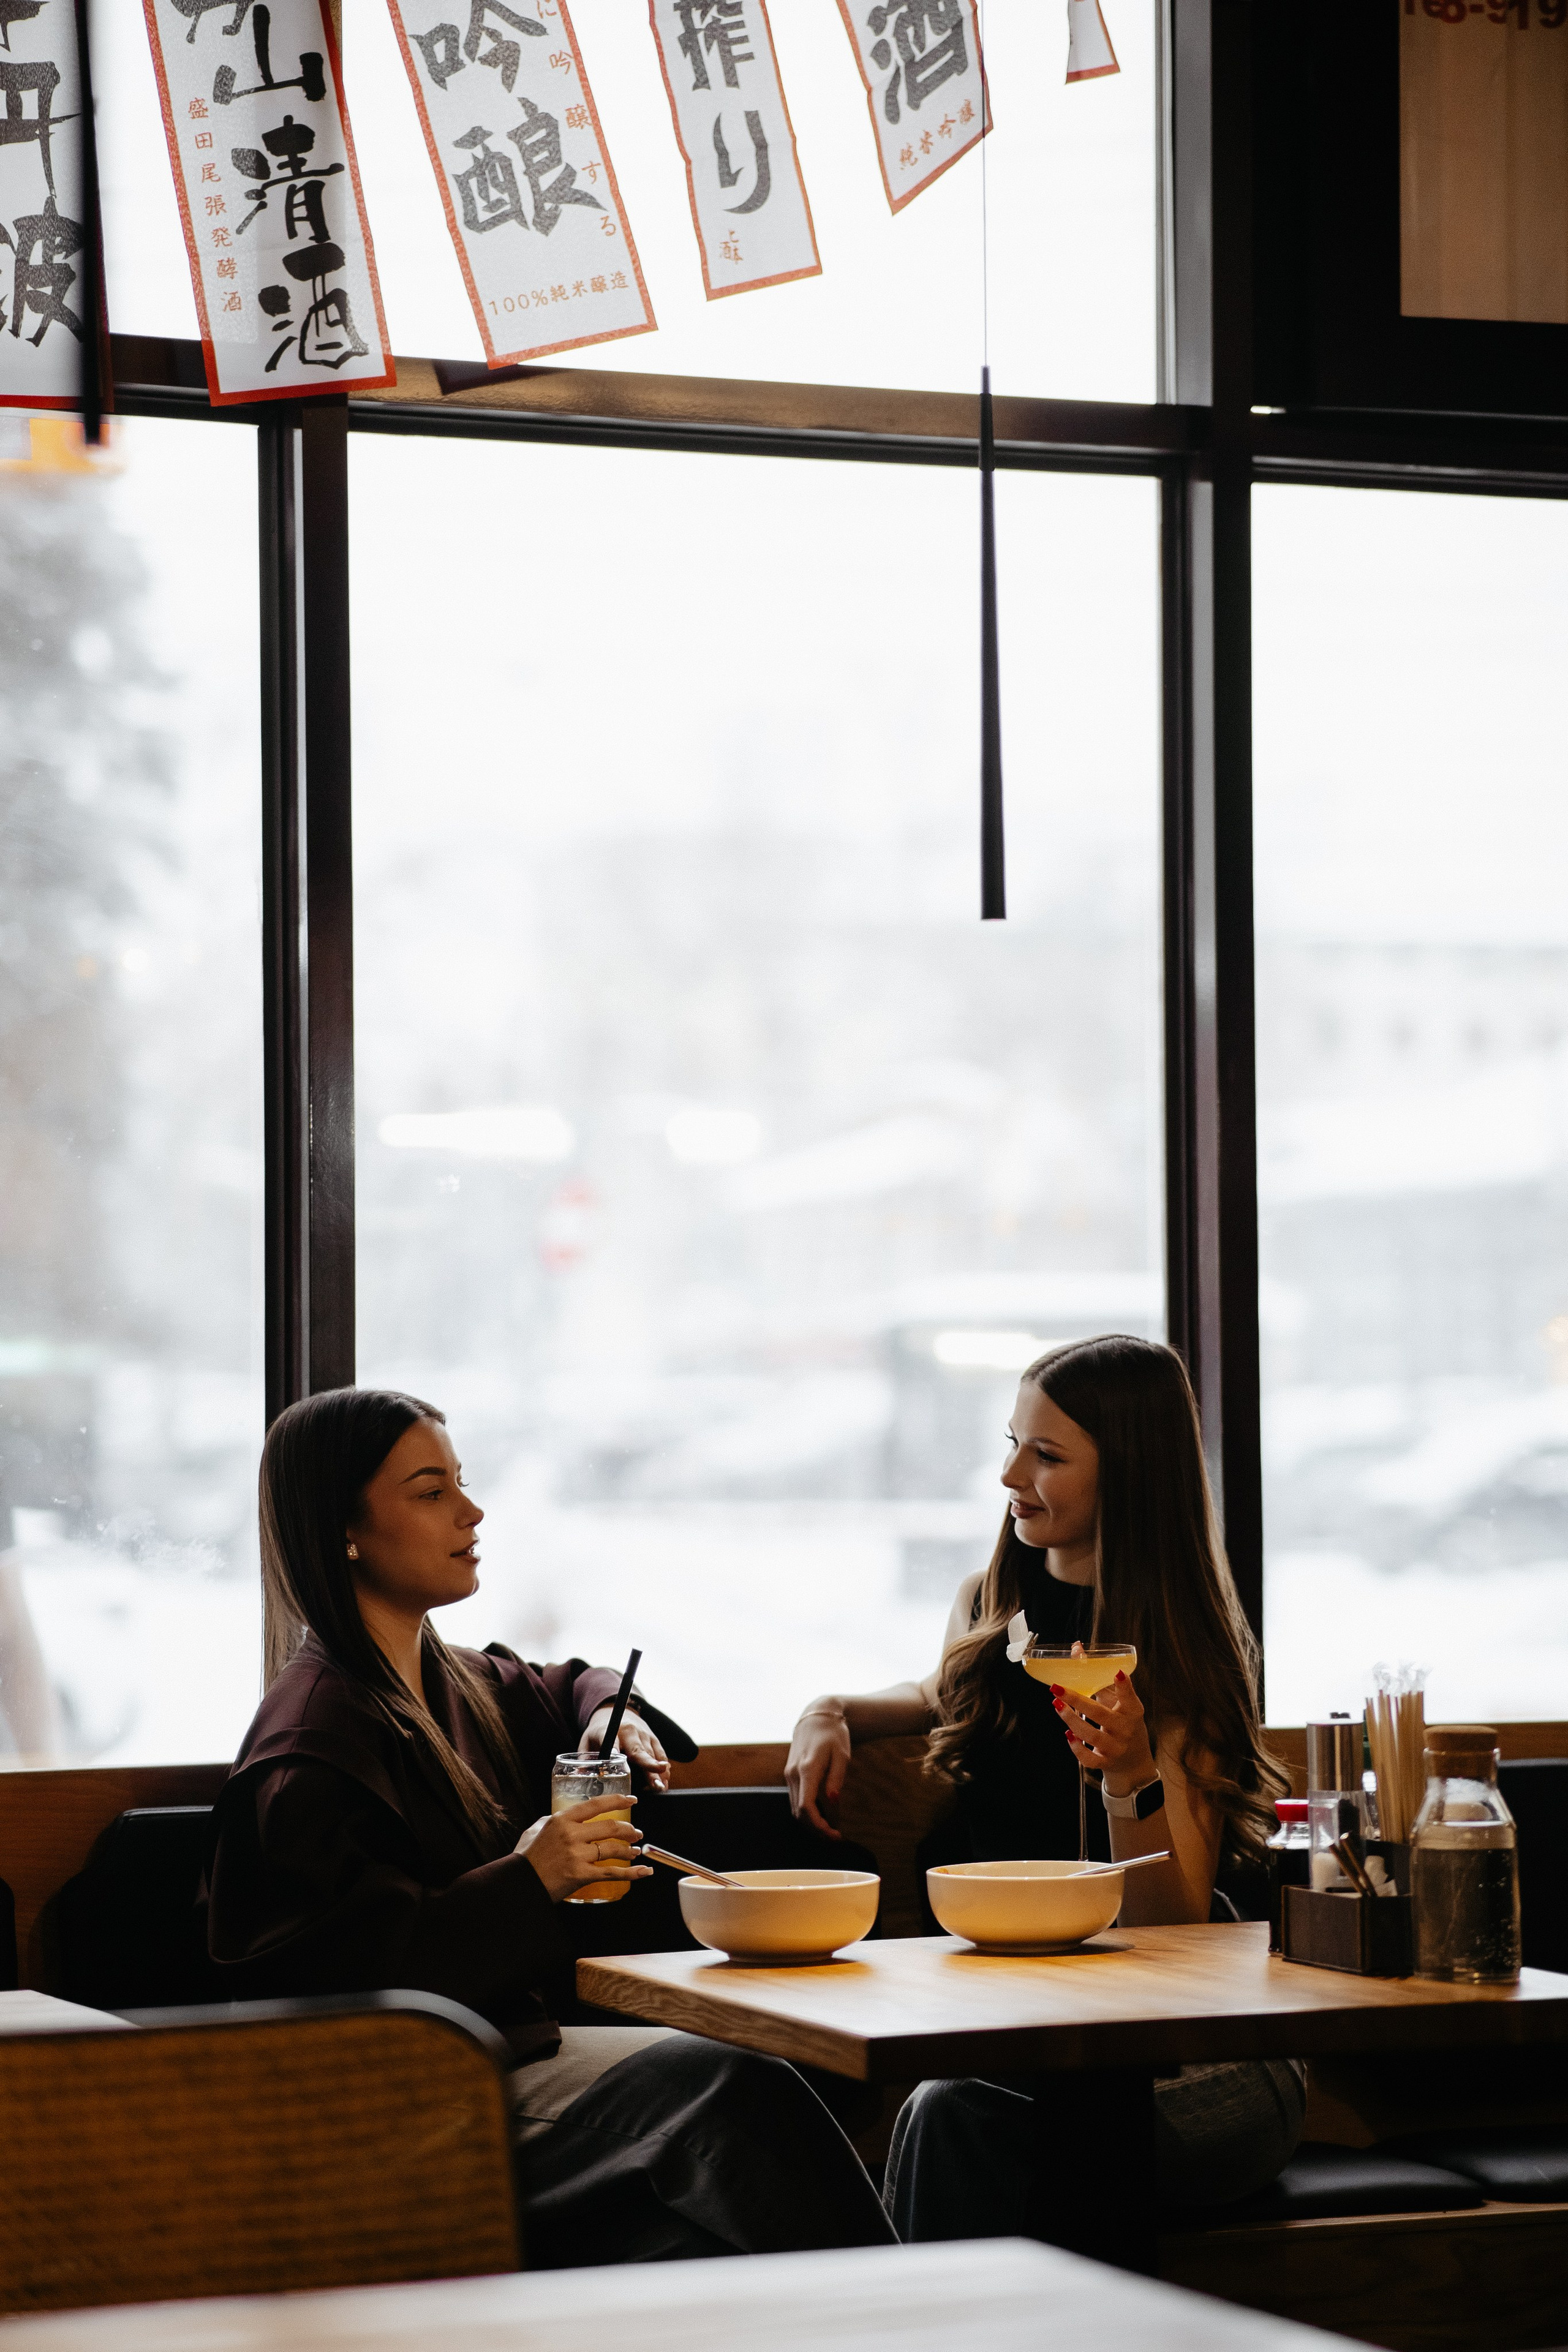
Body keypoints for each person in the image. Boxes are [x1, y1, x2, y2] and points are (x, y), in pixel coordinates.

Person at [206, 1386, 894, 2268]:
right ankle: (907, 2311)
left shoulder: (444, 1677)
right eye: (431, 1492)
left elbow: (567, 1682)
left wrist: (613, 1711)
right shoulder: (313, 1742)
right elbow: (339, 1983)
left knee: (689, 2230)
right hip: (399, 2098)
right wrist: (531, 1878)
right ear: (344, 1529)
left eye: (462, 1482)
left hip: (505, 2050)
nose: (472, 1511)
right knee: (727, 2089)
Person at [785, 1334, 1305, 2237]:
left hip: (1203, 2064)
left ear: (1128, 1476)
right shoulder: (993, 1607)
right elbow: (940, 1693)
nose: (1010, 1476)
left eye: (1048, 1456)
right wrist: (832, 1710)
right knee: (943, 2110)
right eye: (1013, 1444)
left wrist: (1130, 1775)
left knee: (954, 2116)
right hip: (1037, 2039)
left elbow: (1170, 1927)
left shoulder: (1182, 1651)